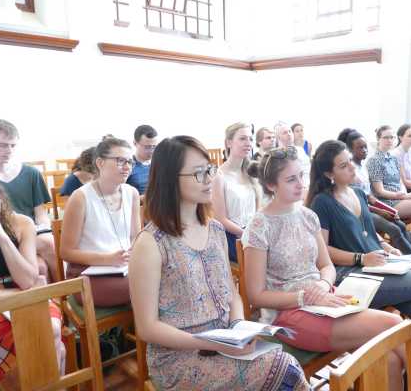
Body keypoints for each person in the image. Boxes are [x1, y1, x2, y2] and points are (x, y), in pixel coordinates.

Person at [243, 146, 411, 391]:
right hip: (286, 315)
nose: (300, 184)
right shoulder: (260, 225)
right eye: (291, 179)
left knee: (387, 358)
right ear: (271, 185)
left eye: (301, 176)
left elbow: (326, 266)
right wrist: (303, 296)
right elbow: (256, 295)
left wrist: (323, 285)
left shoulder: (307, 216)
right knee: (394, 325)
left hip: (325, 299)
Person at [129, 136, 310, 391]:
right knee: (282, 367)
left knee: (280, 365)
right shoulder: (150, 243)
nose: (209, 179)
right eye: (198, 173)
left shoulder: (214, 230)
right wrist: (213, 344)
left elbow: (232, 294)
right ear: (170, 179)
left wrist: (237, 329)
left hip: (224, 342)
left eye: (209, 170)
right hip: (179, 359)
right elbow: (147, 328)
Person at [307, 140, 411, 354]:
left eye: (350, 160)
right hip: (351, 275)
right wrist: (361, 258)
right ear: (328, 174)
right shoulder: (322, 203)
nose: (352, 166)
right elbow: (322, 252)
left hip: (377, 266)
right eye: (343, 165)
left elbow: (368, 231)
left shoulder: (357, 193)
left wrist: (387, 246)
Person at [0, 168, 64, 388]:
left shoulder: (22, 223)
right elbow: (28, 288)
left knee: (51, 329)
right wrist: (17, 295)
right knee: (43, 346)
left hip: (23, 291)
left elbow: (28, 280)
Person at [61, 137, 140, 307]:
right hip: (86, 273)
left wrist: (135, 253)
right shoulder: (80, 197)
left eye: (130, 162)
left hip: (123, 268)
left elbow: (135, 237)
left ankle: (138, 331)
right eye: (120, 161)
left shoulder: (132, 193)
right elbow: (66, 252)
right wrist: (108, 259)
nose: (127, 167)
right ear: (100, 162)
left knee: (162, 277)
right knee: (146, 287)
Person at [0, 120, 56, 282]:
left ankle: (62, 294)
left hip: (27, 230)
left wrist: (41, 229)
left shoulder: (31, 173)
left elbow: (41, 214)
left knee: (48, 242)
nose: (8, 150)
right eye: (3, 145)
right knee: (41, 263)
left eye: (13, 146)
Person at [337, 128, 411, 254]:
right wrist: (381, 211)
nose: (365, 150)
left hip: (370, 207)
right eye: (360, 148)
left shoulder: (362, 167)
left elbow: (369, 196)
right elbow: (358, 203)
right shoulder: (351, 171)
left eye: (365, 147)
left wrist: (387, 209)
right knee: (393, 229)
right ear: (350, 150)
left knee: (400, 224)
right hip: (361, 212)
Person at [212, 123, 260, 262]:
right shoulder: (219, 176)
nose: (248, 143)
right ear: (228, 143)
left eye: (250, 139)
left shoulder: (250, 172)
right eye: (242, 139)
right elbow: (220, 219)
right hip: (232, 237)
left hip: (252, 232)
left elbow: (257, 210)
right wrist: (247, 234)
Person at [367, 125, 411, 221]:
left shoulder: (393, 159)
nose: (389, 140)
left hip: (401, 199)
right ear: (378, 139)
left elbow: (401, 182)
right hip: (388, 203)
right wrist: (406, 196)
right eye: (386, 137)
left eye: (392, 137)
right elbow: (380, 192)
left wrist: (407, 196)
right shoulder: (374, 160)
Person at [126, 124, 158, 196]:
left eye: (154, 146)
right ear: (135, 143)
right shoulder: (127, 166)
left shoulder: (159, 164)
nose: (151, 151)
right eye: (147, 147)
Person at [276, 125, 310, 189]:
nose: (288, 134)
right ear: (279, 137)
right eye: (285, 133)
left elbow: (307, 170)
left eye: (289, 131)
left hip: (304, 186)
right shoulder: (277, 154)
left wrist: (304, 185)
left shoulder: (300, 150)